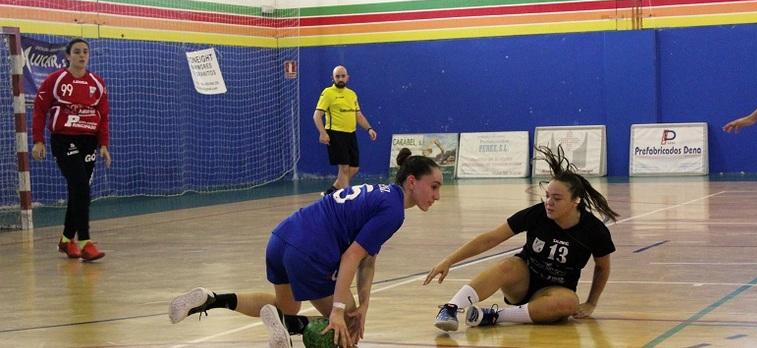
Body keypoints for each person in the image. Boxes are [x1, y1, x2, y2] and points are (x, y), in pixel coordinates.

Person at [168, 148, 442, 348]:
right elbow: (351, 257)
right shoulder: (394, 211)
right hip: (311, 250)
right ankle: (292, 326)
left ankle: (212, 298)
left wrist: (366, 304)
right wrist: (337, 310)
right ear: (411, 182)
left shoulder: (381, 195)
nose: (437, 195)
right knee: (346, 328)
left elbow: (367, 259)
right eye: (433, 186)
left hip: (282, 237)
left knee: (287, 306)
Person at [424, 145, 618, 331]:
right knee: (508, 265)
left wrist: (592, 302)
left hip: (556, 289)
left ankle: (493, 316)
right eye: (547, 196)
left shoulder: (594, 229)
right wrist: (449, 260)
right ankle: (449, 309)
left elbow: (602, 267)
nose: (549, 203)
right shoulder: (537, 214)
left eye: (557, 199)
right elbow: (490, 239)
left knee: (569, 303)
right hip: (522, 282)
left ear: (575, 201)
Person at [32, 38, 111, 262]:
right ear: (68, 56)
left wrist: (104, 144)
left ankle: (67, 241)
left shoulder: (97, 83)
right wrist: (39, 140)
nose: (81, 55)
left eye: (85, 52)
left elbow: (103, 116)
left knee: (79, 191)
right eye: (76, 52)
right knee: (80, 188)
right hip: (64, 140)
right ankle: (85, 242)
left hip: (88, 141)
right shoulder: (55, 80)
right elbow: (40, 109)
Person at [313, 65, 377, 196]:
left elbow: (358, 115)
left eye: (343, 76)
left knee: (354, 168)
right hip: (335, 134)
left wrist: (369, 128)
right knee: (344, 168)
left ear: (348, 77)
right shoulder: (328, 93)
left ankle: (331, 192)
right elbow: (317, 115)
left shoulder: (352, 94)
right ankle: (347, 197)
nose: (340, 79)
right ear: (333, 78)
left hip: (350, 135)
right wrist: (323, 132)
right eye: (337, 76)